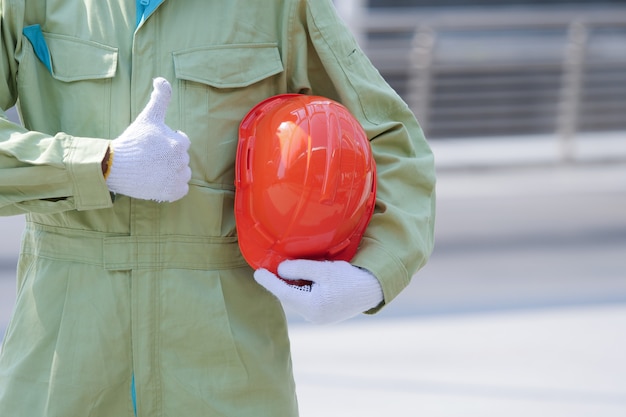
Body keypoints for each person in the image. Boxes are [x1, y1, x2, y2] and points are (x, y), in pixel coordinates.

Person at [0, 1, 436, 416]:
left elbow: (391, 139)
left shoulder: (280, 5)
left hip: (228, 370)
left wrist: (373, 272)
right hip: (61, 367)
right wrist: (98, 165)